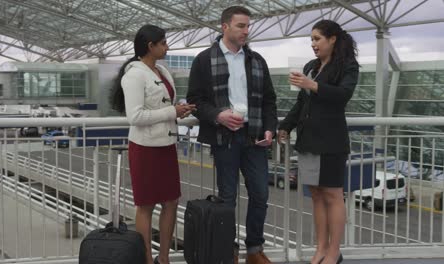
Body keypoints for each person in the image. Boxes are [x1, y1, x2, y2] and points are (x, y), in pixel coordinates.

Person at [186, 6, 278, 264]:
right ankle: (228, 251)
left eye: (248, 26)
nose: (246, 31)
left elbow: (269, 100)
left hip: (255, 136)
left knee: (261, 193)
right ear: (224, 26)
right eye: (241, 26)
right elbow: (195, 100)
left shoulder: (257, 60)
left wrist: (270, 128)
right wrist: (218, 115)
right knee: (227, 197)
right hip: (223, 137)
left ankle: (254, 250)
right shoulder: (204, 59)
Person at [110, 24, 195, 264]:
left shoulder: (162, 71)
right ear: (150, 46)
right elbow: (135, 117)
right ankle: (147, 259)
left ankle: (164, 258)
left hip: (166, 145)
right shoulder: (134, 75)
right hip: (145, 148)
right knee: (145, 205)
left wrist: (179, 111)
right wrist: (171, 111)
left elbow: (164, 107)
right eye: (164, 43)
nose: (167, 47)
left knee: (171, 201)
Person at [278, 20, 359, 264]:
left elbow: (343, 96)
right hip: (308, 140)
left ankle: (334, 252)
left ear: (332, 38)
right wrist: (285, 126)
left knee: (333, 194)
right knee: (315, 194)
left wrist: (311, 84)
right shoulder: (311, 66)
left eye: (317, 39)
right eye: (311, 40)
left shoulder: (347, 65)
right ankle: (321, 248)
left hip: (331, 141)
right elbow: (302, 103)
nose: (313, 44)